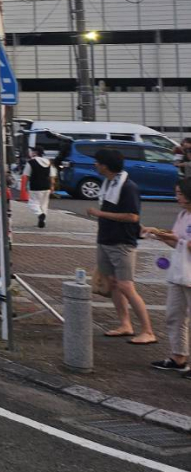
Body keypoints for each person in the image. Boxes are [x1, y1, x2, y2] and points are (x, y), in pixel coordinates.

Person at [87, 147, 157, 345]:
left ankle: (148, 330)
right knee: (114, 284)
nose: (95, 165)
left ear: (105, 165)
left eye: (97, 162)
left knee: (126, 285)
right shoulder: (109, 184)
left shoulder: (127, 187)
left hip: (122, 242)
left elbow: (132, 216)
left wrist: (100, 214)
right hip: (106, 239)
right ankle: (125, 324)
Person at [143, 178, 191, 374]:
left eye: (180, 193)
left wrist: (177, 240)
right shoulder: (182, 215)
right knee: (174, 315)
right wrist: (160, 235)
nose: (177, 197)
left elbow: (184, 242)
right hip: (179, 272)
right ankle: (178, 356)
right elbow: (177, 241)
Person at [25, 147, 55, 229]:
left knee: (32, 203)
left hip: (35, 186)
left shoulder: (31, 162)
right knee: (44, 205)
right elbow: (52, 176)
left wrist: (25, 186)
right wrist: (52, 186)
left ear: (35, 153)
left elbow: (26, 175)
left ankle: (40, 214)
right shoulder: (48, 162)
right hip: (46, 186)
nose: (31, 153)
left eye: (32, 151)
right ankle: (42, 222)